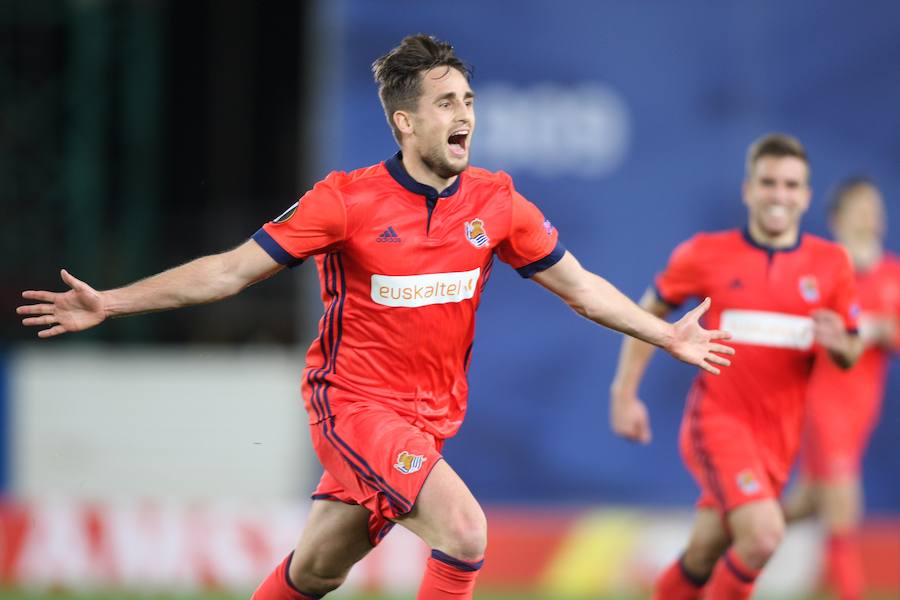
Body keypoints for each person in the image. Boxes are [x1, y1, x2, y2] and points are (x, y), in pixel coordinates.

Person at [18, 34, 734, 600]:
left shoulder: (496, 203)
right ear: (404, 120)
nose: (465, 117)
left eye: (469, 101)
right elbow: (232, 270)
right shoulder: (343, 202)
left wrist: (665, 332)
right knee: (464, 530)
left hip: (428, 420)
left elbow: (581, 289)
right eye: (447, 103)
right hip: (353, 406)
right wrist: (112, 301)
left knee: (317, 573)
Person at [609, 133, 863, 600]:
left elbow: (850, 350)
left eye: (791, 185)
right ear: (748, 190)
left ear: (806, 195)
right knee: (764, 535)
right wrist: (624, 394)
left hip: (780, 439)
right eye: (769, 183)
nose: (779, 195)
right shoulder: (705, 253)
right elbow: (647, 316)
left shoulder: (832, 265)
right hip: (718, 422)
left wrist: (841, 345)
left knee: (707, 550)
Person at [782, 177, 900, 600]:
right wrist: (862, 329)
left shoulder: (892, 274)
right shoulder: (819, 272)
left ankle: (731, 535)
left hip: (862, 411)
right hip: (823, 404)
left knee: (807, 504)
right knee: (844, 509)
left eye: (876, 206)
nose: (872, 214)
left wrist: (876, 329)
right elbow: (800, 330)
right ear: (838, 218)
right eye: (861, 206)